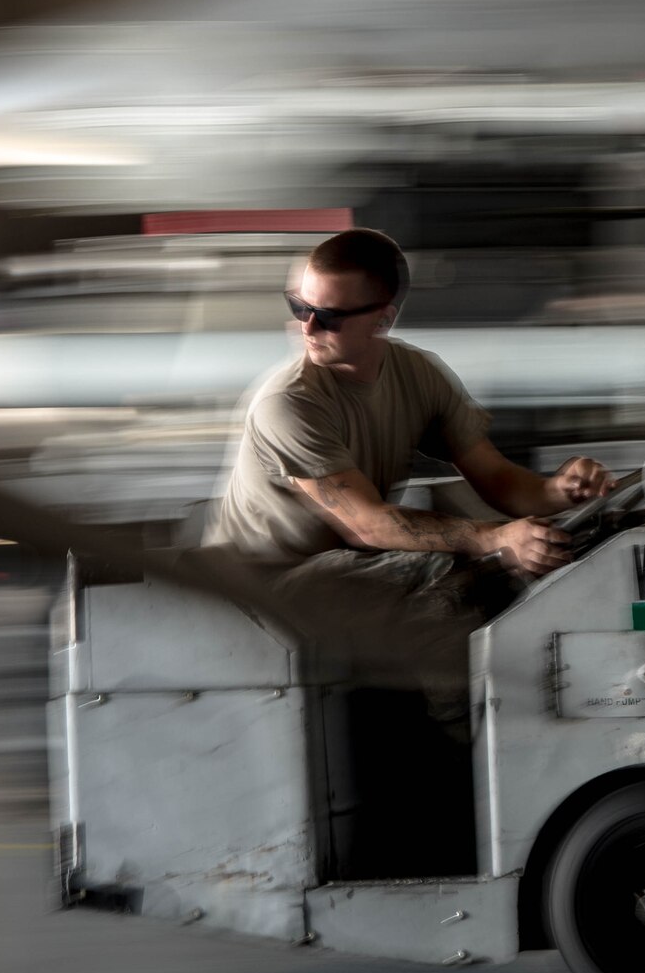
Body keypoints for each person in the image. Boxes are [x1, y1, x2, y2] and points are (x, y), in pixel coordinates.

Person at [204, 227, 608, 722]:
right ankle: (467, 751)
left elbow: (497, 479)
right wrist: (496, 538)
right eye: (298, 307)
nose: (307, 328)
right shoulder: (287, 404)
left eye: (328, 316)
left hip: (347, 565)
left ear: (383, 319)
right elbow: (366, 525)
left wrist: (560, 491)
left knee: (524, 561)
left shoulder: (418, 374)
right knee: (454, 572)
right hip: (267, 592)